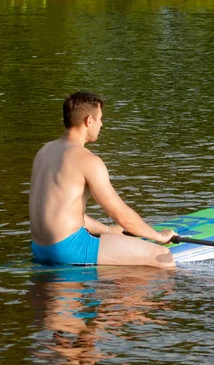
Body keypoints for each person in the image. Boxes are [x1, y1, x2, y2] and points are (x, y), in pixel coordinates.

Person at [29, 92, 176, 268]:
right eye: (100, 119)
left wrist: (108, 230)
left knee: (115, 242)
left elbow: (61, 212)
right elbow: (121, 215)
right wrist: (160, 236)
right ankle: (118, 294)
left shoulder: (44, 152)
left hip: (39, 248)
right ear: (89, 120)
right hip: (69, 249)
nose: (101, 124)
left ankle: (112, 286)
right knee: (163, 258)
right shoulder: (88, 160)